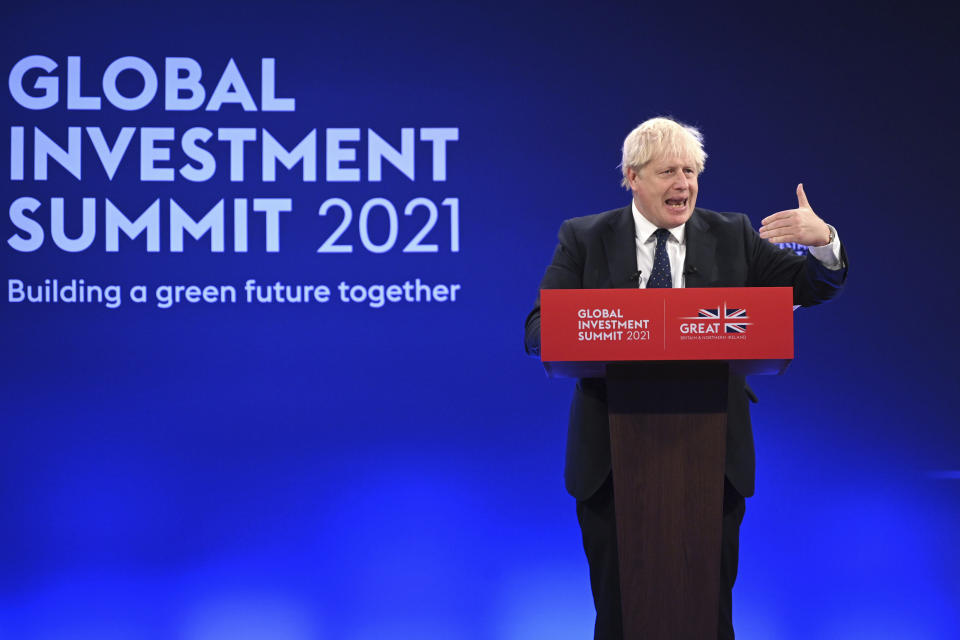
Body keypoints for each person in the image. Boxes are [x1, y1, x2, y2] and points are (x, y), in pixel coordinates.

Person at [523, 117, 847, 639]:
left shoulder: (733, 234)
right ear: (632, 177)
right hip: (610, 461)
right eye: (669, 170)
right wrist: (622, 325)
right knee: (618, 617)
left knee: (709, 616)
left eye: (691, 171)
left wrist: (823, 243)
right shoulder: (583, 237)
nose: (684, 183)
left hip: (710, 460)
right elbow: (541, 328)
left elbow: (811, 288)